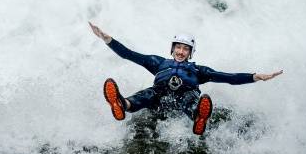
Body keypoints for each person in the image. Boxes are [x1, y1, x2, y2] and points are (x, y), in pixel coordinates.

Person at [89, 22, 283, 135]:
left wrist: (255, 77)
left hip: (184, 98)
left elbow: (229, 78)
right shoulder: (157, 62)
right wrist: (107, 39)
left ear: (190, 52)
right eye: (178, 47)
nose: (181, 51)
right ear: (172, 48)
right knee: (148, 94)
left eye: (185, 49)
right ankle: (122, 104)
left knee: (191, 99)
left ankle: (198, 117)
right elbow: (129, 54)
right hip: (160, 98)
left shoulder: (199, 71)